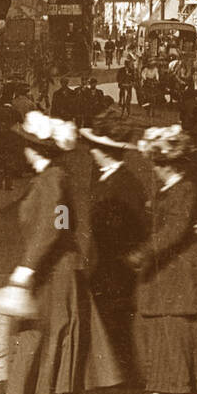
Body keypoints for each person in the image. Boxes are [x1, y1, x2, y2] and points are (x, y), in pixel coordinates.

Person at [0, 111, 123, 394]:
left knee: (45, 326)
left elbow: (52, 227)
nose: (22, 149)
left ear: (34, 149)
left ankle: (48, 387)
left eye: (26, 144)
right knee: (43, 326)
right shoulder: (49, 177)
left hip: (55, 267)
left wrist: (26, 269)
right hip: (51, 266)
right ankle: (46, 386)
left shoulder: (53, 179)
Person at [131, 125, 197, 394]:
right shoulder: (170, 186)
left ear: (168, 165)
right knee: (171, 319)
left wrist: (145, 251)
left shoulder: (185, 187)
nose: (155, 169)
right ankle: (173, 378)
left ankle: (188, 380)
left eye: (158, 164)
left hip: (184, 263)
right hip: (172, 263)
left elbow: (174, 230)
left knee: (182, 320)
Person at [82, 113, 150, 380]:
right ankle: (118, 372)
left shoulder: (125, 183)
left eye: (95, 147)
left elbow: (131, 226)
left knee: (117, 319)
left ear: (105, 151)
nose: (91, 151)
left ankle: (127, 376)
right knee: (110, 319)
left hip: (118, 265)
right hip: (106, 263)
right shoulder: (104, 177)